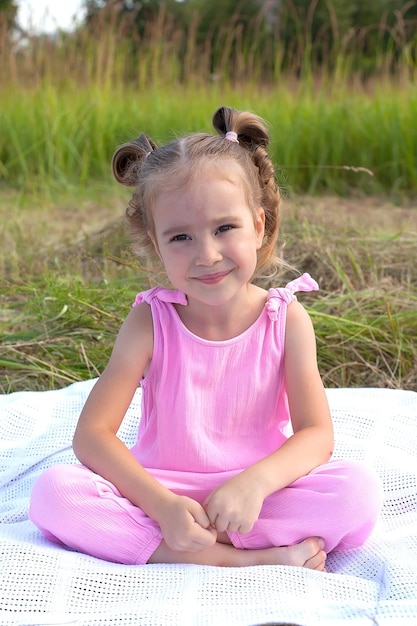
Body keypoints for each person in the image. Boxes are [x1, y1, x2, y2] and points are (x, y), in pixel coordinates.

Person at [29, 106, 382, 570]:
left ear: (258, 226)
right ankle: (244, 559)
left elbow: (316, 435)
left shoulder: (285, 319)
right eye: (180, 238)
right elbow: (93, 436)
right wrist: (162, 505)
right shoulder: (150, 322)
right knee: (54, 494)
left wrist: (255, 484)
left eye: (224, 228)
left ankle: (181, 552)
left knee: (355, 491)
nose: (207, 255)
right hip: (163, 493)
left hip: (256, 493)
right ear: (156, 243)